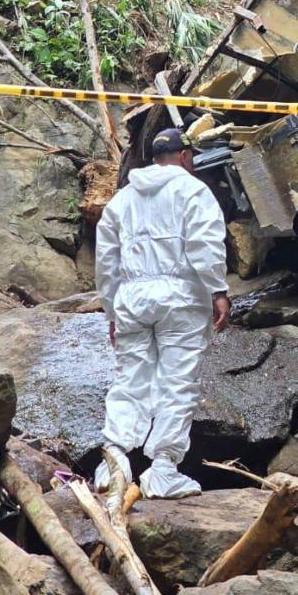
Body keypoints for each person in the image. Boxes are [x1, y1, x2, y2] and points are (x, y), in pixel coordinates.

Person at [94, 127, 230, 498]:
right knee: (177, 382)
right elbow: (204, 243)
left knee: (130, 377)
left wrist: (111, 310)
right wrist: (218, 289)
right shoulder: (193, 191)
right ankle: (163, 471)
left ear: (153, 159)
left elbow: (106, 261)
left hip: (132, 299)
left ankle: (114, 461)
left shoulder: (122, 200)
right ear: (186, 157)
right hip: (181, 298)